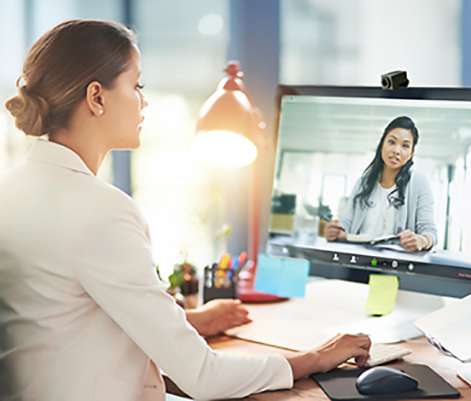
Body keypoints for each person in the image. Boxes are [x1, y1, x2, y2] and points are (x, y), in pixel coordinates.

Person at [0, 20, 370, 401]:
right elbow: (203, 377)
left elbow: (60, 317)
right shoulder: (99, 211)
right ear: (97, 97)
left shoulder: (11, 191)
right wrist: (316, 358)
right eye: (136, 86)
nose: (144, 101)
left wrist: (191, 322)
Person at [324, 116, 437, 252]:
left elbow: (430, 232)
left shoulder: (419, 183)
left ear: (411, 153)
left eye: (405, 146)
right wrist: (335, 231)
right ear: (382, 143)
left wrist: (422, 240)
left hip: (396, 264)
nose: (396, 150)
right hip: (359, 259)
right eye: (391, 142)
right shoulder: (363, 182)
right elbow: (346, 223)